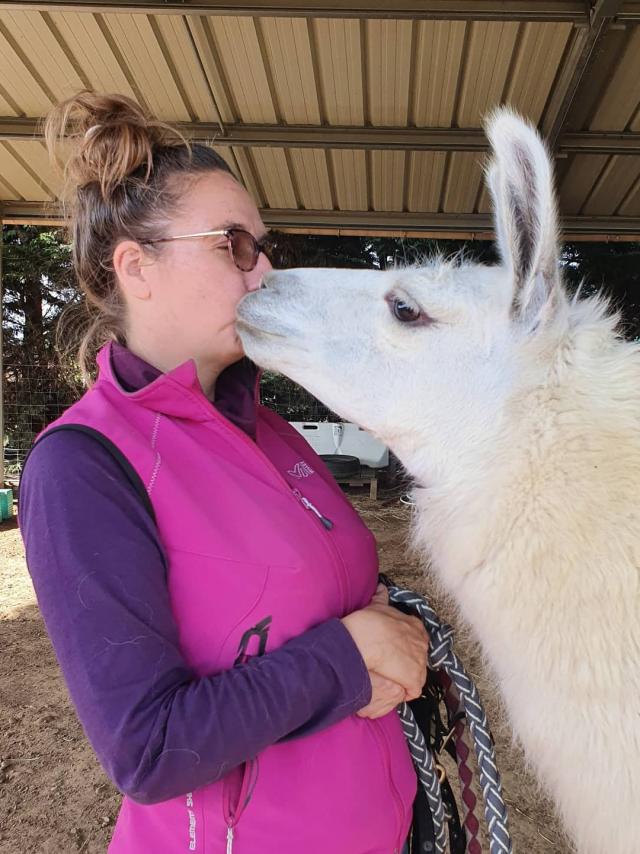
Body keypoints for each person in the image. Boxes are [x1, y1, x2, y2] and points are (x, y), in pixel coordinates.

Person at [19, 91, 428, 854]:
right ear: (137, 267)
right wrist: (350, 654)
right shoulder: (83, 466)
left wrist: (381, 626)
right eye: (232, 245)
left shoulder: (269, 430)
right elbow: (148, 748)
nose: (263, 269)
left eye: (263, 247)